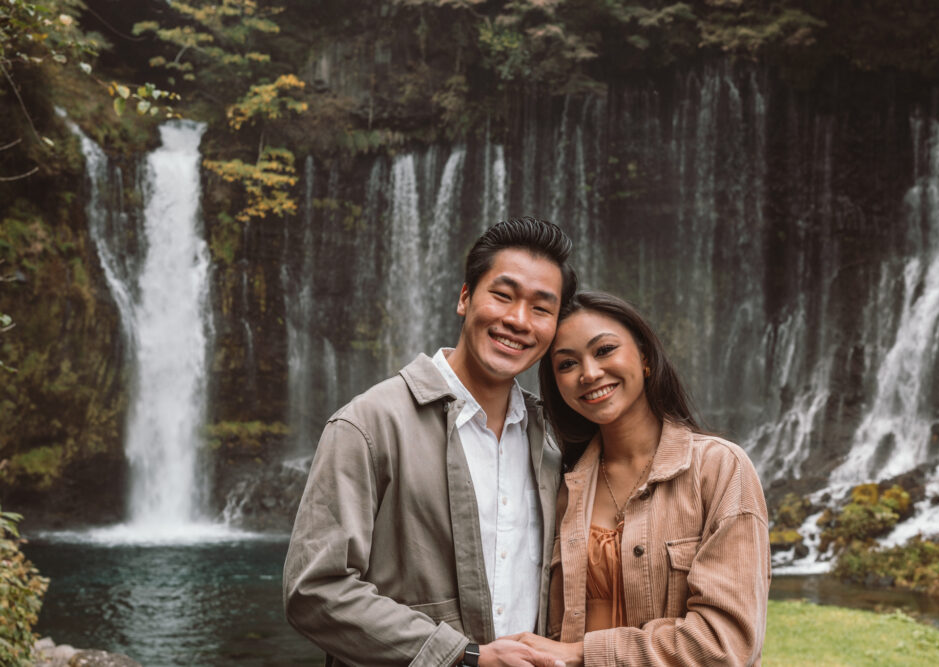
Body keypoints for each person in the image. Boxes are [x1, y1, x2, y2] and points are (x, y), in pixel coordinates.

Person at [283, 217, 577, 667]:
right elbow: (314, 590)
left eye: (541, 308)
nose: (518, 320)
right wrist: (465, 657)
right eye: (502, 295)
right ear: (465, 298)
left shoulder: (553, 440)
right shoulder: (369, 424)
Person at [513, 291, 770, 666]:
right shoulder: (558, 487)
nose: (589, 373)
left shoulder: (719, 469)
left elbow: (725, 642)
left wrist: (582, 653)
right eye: (567, 364)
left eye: (604, 350)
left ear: (646, 357)